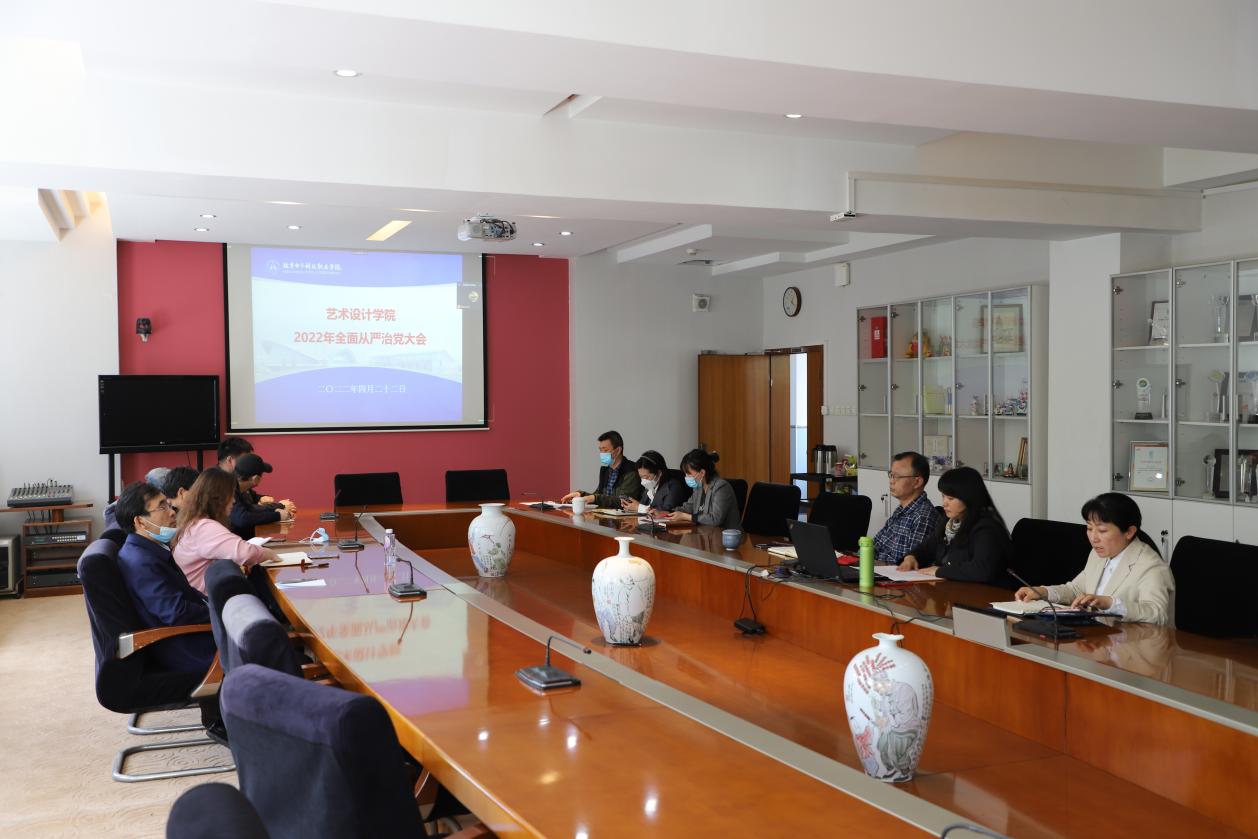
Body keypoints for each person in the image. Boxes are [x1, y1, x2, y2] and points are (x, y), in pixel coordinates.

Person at [1014, 493, 1174, 626]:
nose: (1093, 538)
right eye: (1089, 528)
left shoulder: (1152, 566)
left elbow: (1157, 614)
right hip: (1097, 638)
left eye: (1102, 531)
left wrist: (1110, 604)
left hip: (1135, 647)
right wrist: (1042, 592)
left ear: (1129, 532)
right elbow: (1076, 590)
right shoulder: (1098, 554)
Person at [113, 481, 216, 675]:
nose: (172, 512)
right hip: (189, 648)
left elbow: (185, 595)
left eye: (169, 505)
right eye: (162, 507)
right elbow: (175, 612)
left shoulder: (146, 550)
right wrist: (219, 613)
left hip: (194, 634)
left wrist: (215, 606)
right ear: (140, 521)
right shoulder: (141, 562)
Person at [172, 468, 281, 594]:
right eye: (231, 495)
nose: (233, 501)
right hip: (204, 601)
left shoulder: (194, 522)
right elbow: (245, 553)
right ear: (218, 498)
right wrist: (271, 554)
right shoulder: (204, 527)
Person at [900, 466, 1012, 585]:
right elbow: (926, 548)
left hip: (987, 592)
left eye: (950, 498)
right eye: (943, 496)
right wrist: (911, 557)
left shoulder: (986, 528)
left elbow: (982, 569)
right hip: (954, 589)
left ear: (968, 498)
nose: (944, 503)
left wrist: (940, 571)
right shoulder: (950, 523)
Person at [871, 452, 941, 565]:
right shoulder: (900, 510)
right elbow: (875, 545)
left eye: (897, 476)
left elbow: (906, 565)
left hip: (892, 574)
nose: (891, 481)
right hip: (878, 569)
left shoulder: (923, 517)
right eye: (891, 475)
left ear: (917, 482)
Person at [562, 430, 643, 509]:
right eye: (600, 450)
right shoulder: (606, 470)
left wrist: (594, 498)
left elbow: (624, 501)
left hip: (627, 517)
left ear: (618, 450)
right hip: (605, 516)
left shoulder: (631, 471)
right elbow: (599, 495)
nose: (602, 454)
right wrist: (580, 494)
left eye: (605, 450)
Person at [668, 449, 742, 529]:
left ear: (702, 473)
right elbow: (688, 507)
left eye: (689, 474)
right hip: (705, 533)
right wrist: (667, 512)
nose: (686, 477)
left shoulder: (721, 487)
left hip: (725, 535)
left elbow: (716, 519)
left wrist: (687, 517)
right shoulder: (698, 487)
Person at [229, 453, 295, 540]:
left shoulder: (236, 487)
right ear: (256, 478)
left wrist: (275, 510)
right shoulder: (229, 489)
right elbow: (243, 519)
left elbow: (251, 510)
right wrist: (277, 515)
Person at [620, 450, 687, 514]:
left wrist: (639, 508)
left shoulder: (673, 487)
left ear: (659, 473)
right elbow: (643, 506)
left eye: (646, 477)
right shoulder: (650, 486)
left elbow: (667, 512)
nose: (644, 481)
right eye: (641, 477)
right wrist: (631, 507)